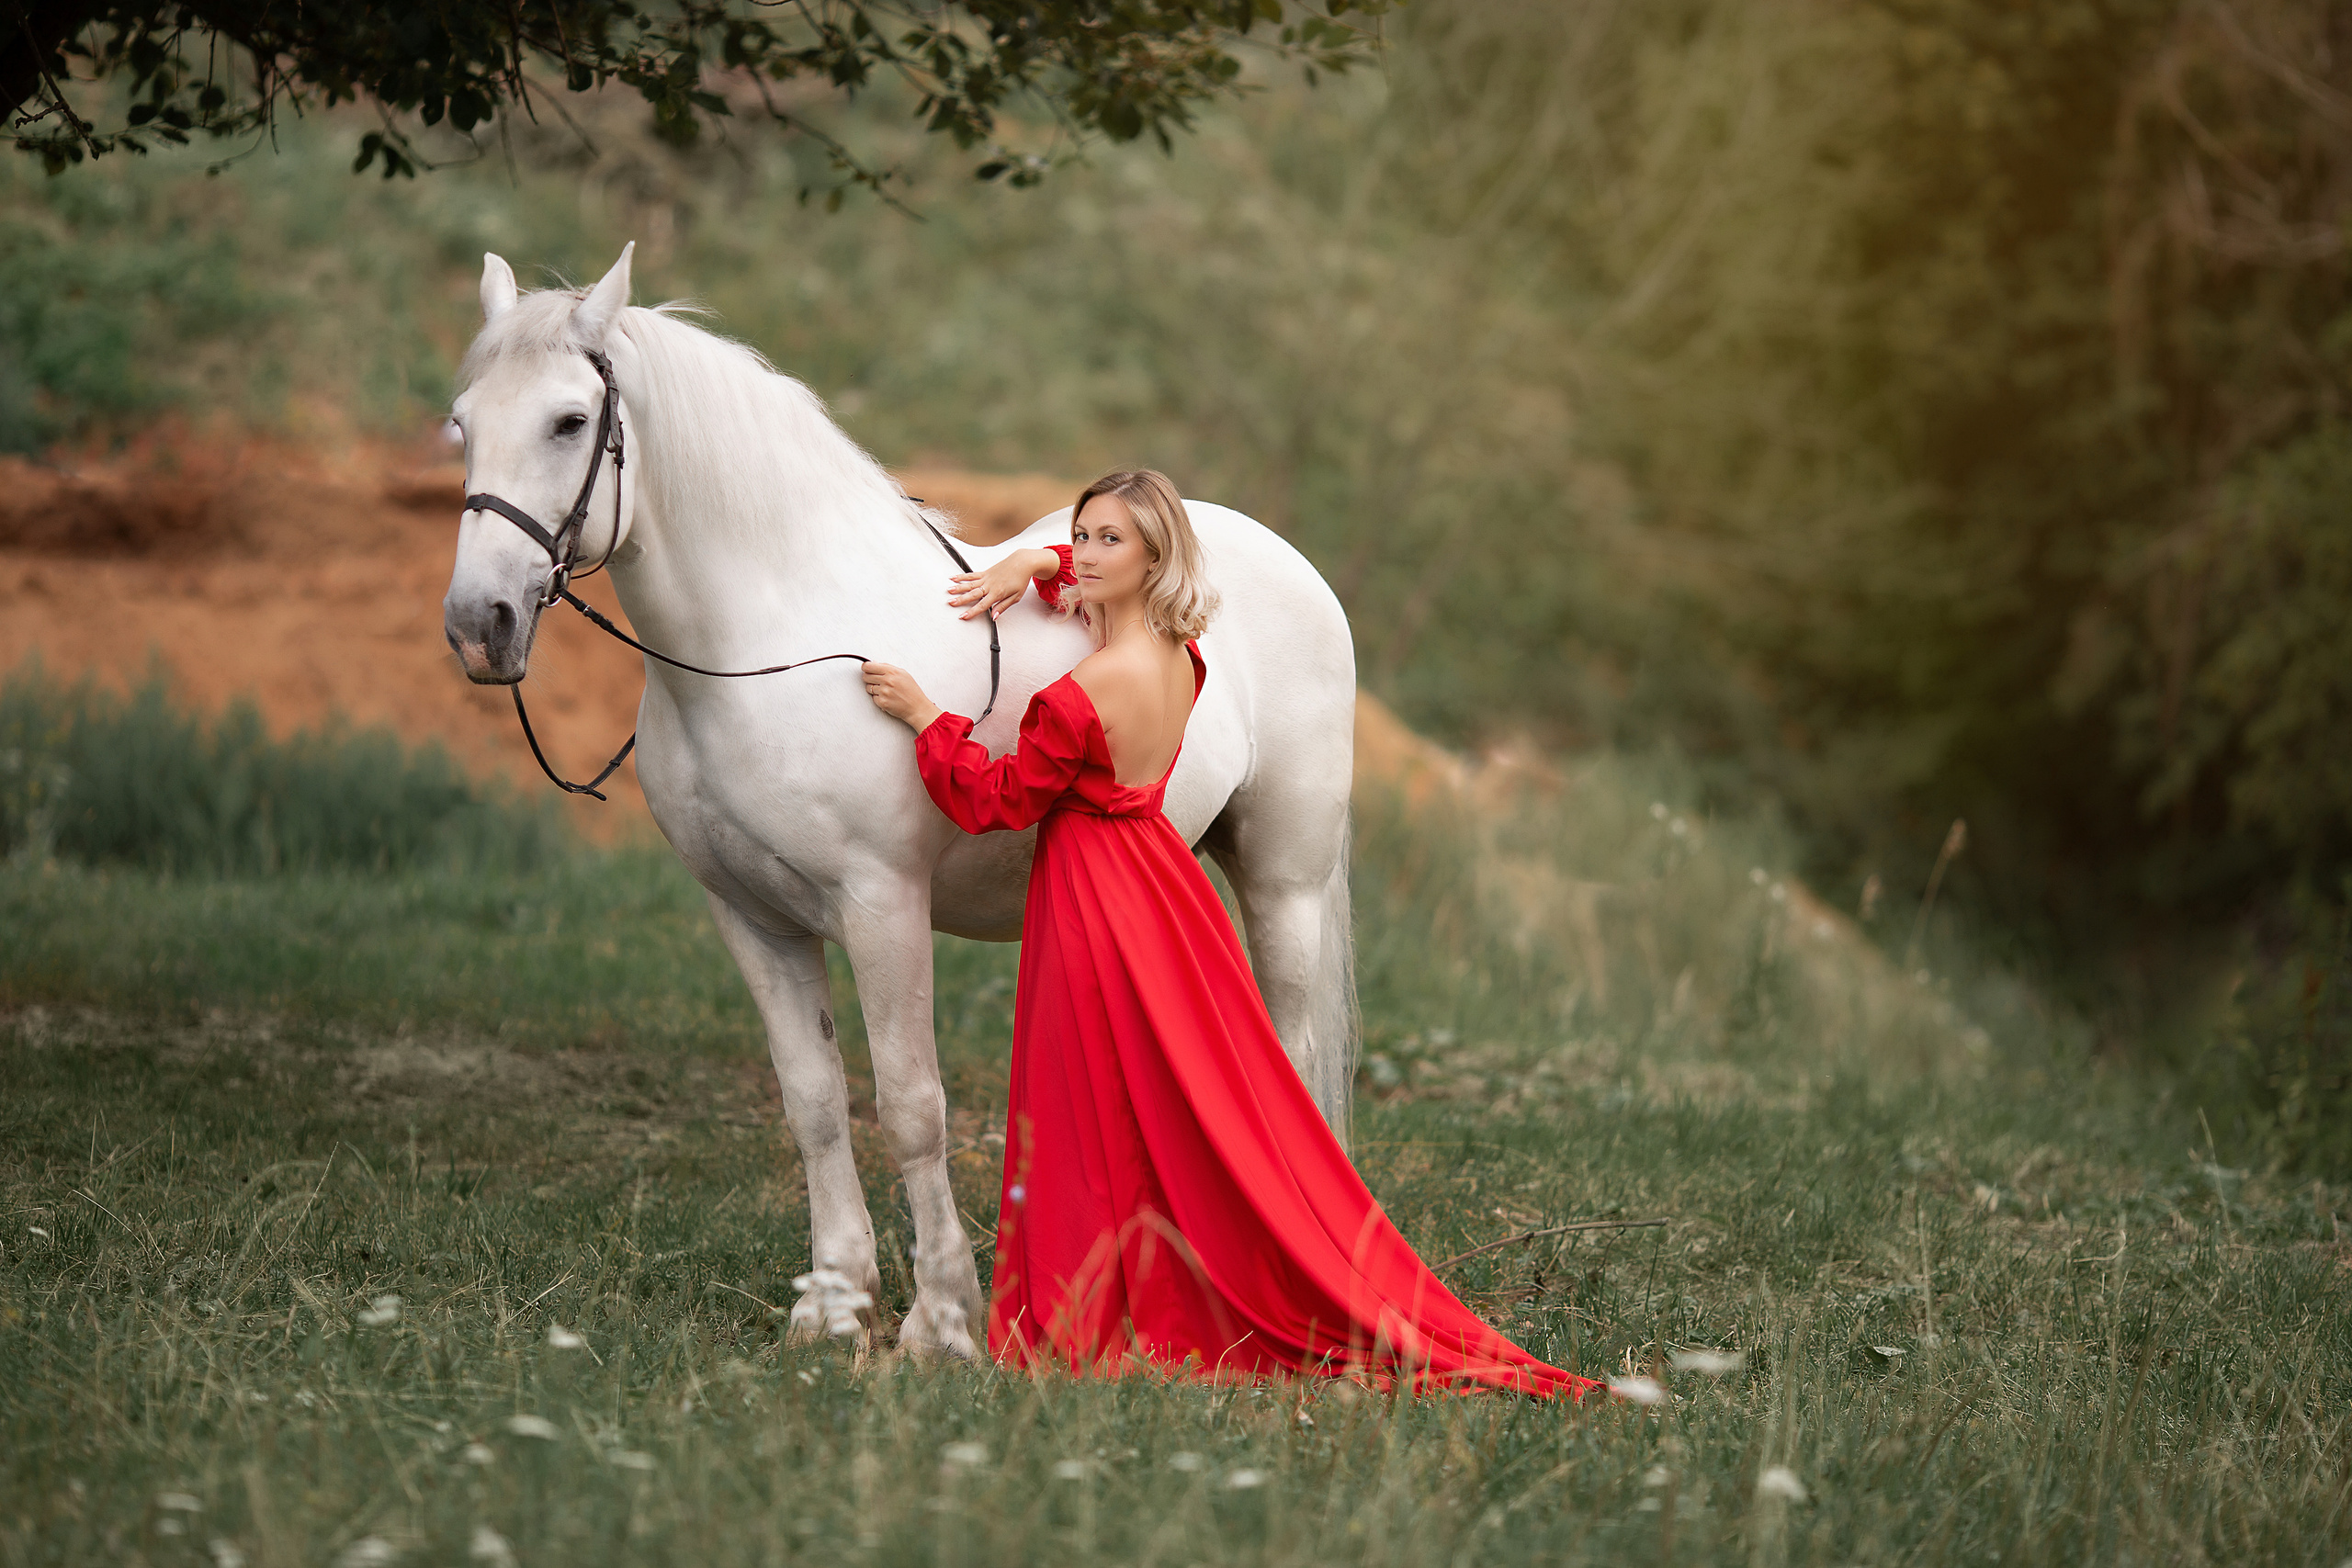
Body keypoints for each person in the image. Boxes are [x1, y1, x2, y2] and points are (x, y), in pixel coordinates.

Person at [861, 470, 1598, 1398]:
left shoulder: (1080, 693)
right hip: (1159, 880)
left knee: (1084, 1099)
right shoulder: (1185, 655)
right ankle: (1181, 1261)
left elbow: (996, 800)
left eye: (1104, 542)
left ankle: (1096, 1301)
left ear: (1152, 558)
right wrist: (1034, 561)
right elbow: (1093, 589)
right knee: (1166, 1091)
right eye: (1080, 535)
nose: (1082, 554)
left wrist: (928, 717)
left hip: (1090, 893)